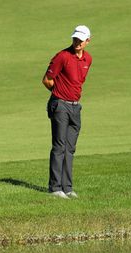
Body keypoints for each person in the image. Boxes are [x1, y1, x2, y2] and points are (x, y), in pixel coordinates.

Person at [42, 25, 92, 199]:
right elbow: (47, 80)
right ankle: (55, 188)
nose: (77, 42)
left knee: (70, 148)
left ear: (88, 41)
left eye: (81, 39)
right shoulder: (62, 56)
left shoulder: (88, 59)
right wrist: (59, 93)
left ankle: (67, 188)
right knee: (59, 146)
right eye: (75, 38)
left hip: (75, 107)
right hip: (60, 105)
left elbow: (78, 83)